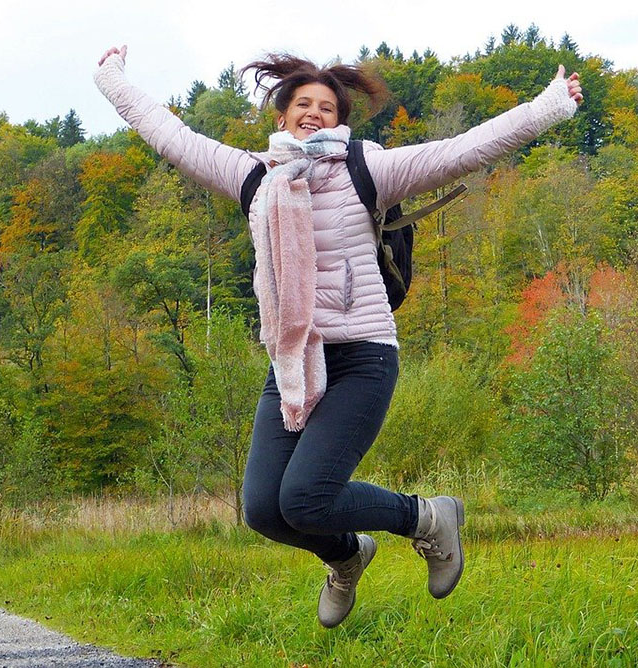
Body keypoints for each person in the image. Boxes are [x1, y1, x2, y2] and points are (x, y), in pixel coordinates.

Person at [94, 44, 582, 628]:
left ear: (340, 120)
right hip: (295, 362)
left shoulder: (367, 168)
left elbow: (464, 150)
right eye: (303, 103)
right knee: (264, 510)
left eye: (327, 107)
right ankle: (347, 556)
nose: (314, 113)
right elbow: (172, 136)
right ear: (281, 116)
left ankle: (428, 518)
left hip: (362, 356)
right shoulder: (256, 176)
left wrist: (548, 107)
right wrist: (113, 80)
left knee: (305, 498)